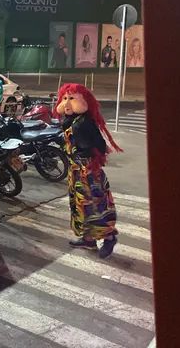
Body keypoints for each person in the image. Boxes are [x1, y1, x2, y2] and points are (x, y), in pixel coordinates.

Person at [55, 83, 123, 259]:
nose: (67, 102)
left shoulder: (85, 122)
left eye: (72, 98)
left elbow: (100, 145)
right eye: (65, 98)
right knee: (81, 206)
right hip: (76, 170)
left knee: (96, 204)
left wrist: (87, 153)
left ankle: (109, 236)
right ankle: (89, 239)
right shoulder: (72, 120)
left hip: (88, 172)